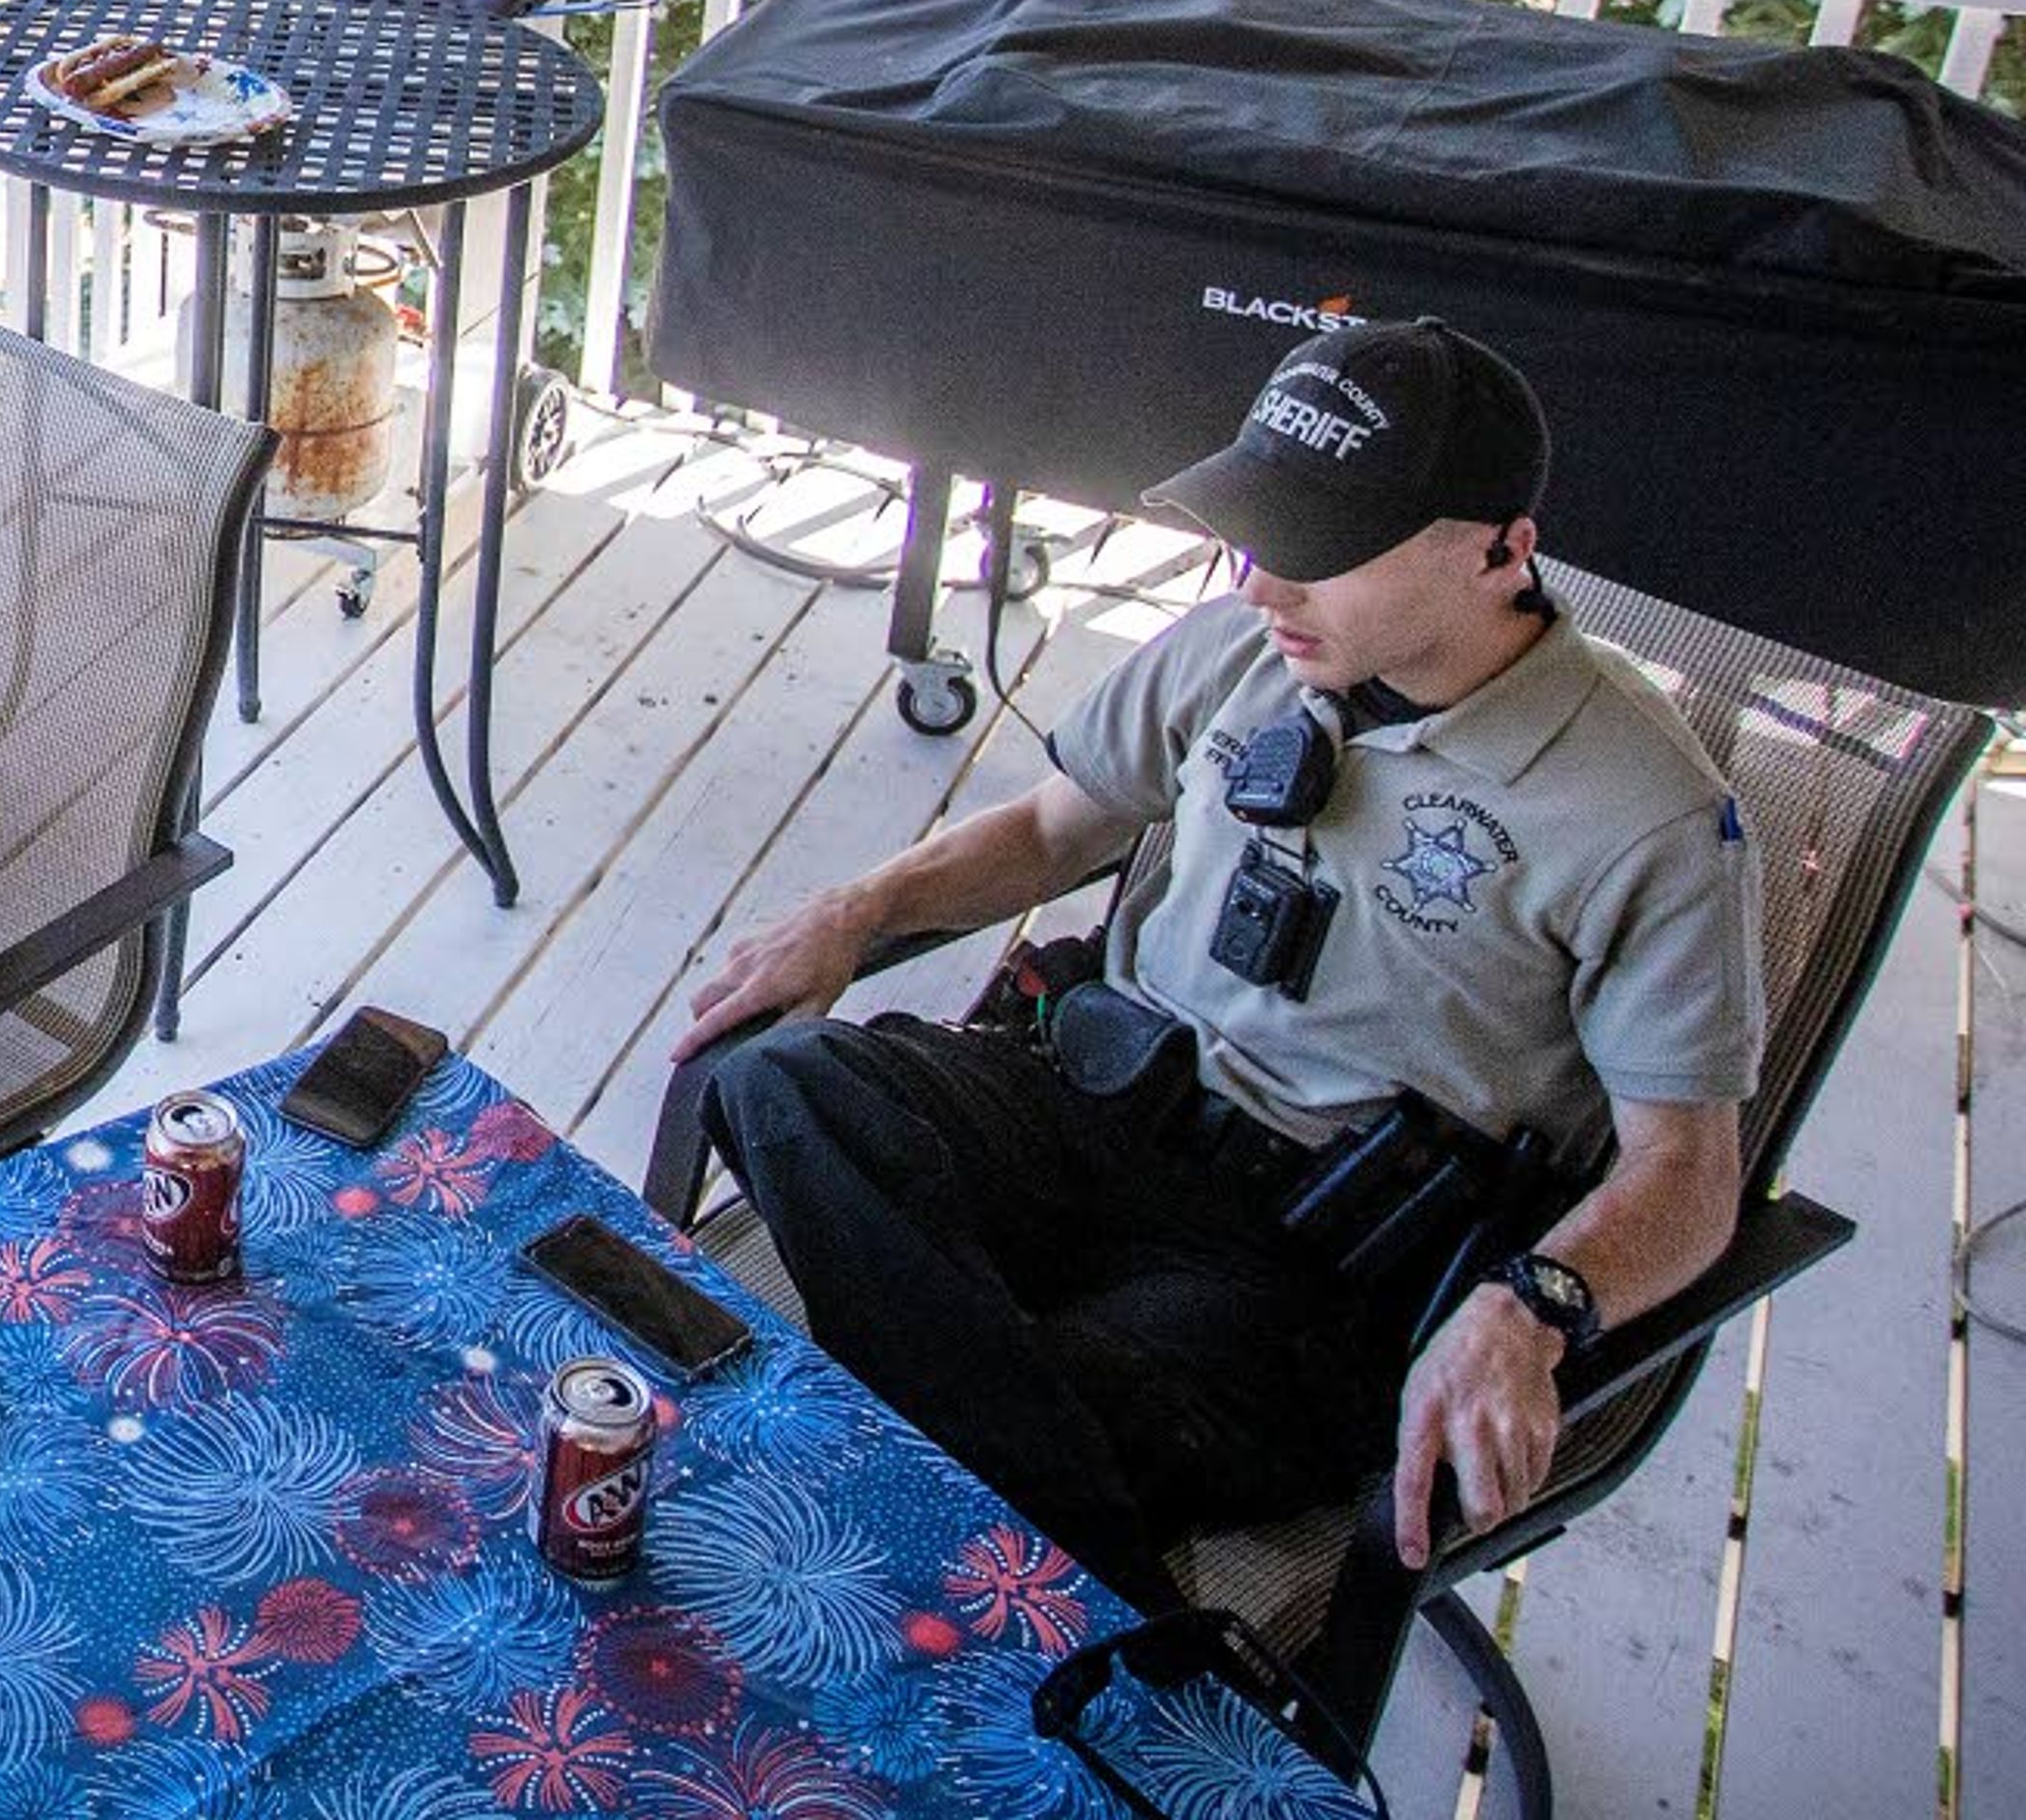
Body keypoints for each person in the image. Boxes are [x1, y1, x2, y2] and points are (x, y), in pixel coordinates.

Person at [679, 320, 1758, 1603]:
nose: (1263, 587)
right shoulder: (1241, 651)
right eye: (1258, 534)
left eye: (1322, 551)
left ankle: (996, 1521)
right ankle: (1052, 1548)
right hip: (1086, 1116)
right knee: (787, 1084)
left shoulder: (1647, 815)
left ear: (1500, 551)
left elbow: (1688, 1174)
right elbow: (1044, 831)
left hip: (1294, 1269)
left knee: (1081, 1399)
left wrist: (1534, 1301)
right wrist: (856, 910)